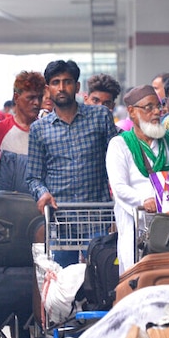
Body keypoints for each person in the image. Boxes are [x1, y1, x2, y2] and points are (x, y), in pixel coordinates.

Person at [26, 60, 119, 266]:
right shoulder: (39, 129)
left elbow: (117, 161)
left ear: (77, 87)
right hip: (60, 219)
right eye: (55, 82)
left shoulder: (100, 117)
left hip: (97, 216)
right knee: (62, 280)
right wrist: (42, 193)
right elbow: (33, 176)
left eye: (67, 82)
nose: (61, 87)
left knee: (101, 276)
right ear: (48, 89)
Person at [106, 85, 169, 273]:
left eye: (158, 107)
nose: (156, 112)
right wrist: (143, 201)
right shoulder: (119, 145)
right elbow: (119, 187)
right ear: (131, 112)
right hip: (136, 227)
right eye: (148, 108)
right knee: (137, 280)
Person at [0, 71, 46, 194]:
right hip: (6, 209)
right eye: (30, 98)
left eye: (39, 97)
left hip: (38, 209)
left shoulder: (47, 132)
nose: (37, 103)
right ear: (16, 98)